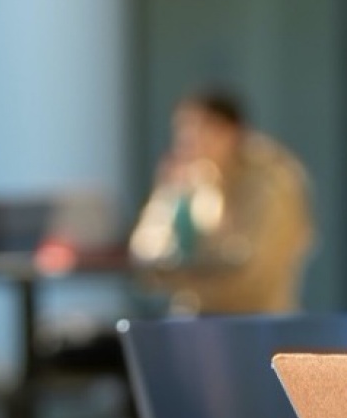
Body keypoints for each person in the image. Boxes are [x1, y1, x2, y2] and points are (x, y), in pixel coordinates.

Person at [130, 87, 314, 316]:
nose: (189, 139)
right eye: (183, 129)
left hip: (261, 323)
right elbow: (146, 251)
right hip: (196, 321)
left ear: (232, 131)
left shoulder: (271, 182)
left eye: (203, 127)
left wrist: (182, 273)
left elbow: (251, 272)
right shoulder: (187, 179)